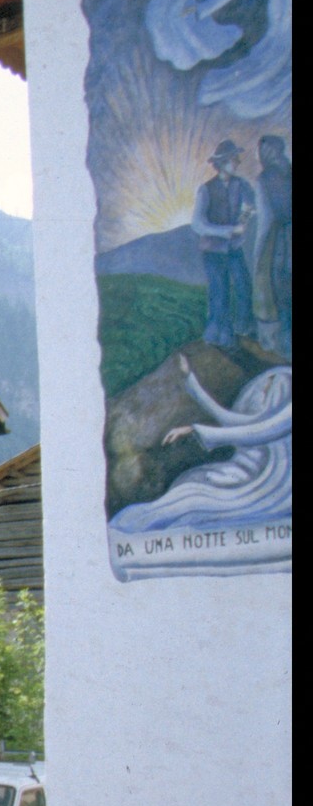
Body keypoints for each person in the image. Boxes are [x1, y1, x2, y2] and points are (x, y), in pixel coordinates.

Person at [110, 354, 291, 533]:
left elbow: (261, 432)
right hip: (248, 469)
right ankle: (131, 527)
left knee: (194, 498)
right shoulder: (275, 377)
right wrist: (191, 381)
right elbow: (235, 421)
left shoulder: (284, 382)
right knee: (189, 483)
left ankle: (132, 527)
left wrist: (197, 430)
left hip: (268, 482)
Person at [192, 139, 258, 348]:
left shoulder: (242, 184)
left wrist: (245, 219)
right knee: (219, 294)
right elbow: (198, 224)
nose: (237, 162)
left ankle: (242, 329)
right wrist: (228, 231)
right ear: (221, 163)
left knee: (243, 287)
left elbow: (250, 204)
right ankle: (219, 337)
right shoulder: (206, 189)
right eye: (233, 159)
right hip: (213, 251)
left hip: (234, 249)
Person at [252, 134, 292, 356]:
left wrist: (259, 256)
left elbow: (265, 221)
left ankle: (287, 352)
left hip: (280, 245)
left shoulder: (265, 178)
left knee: (281, 298)